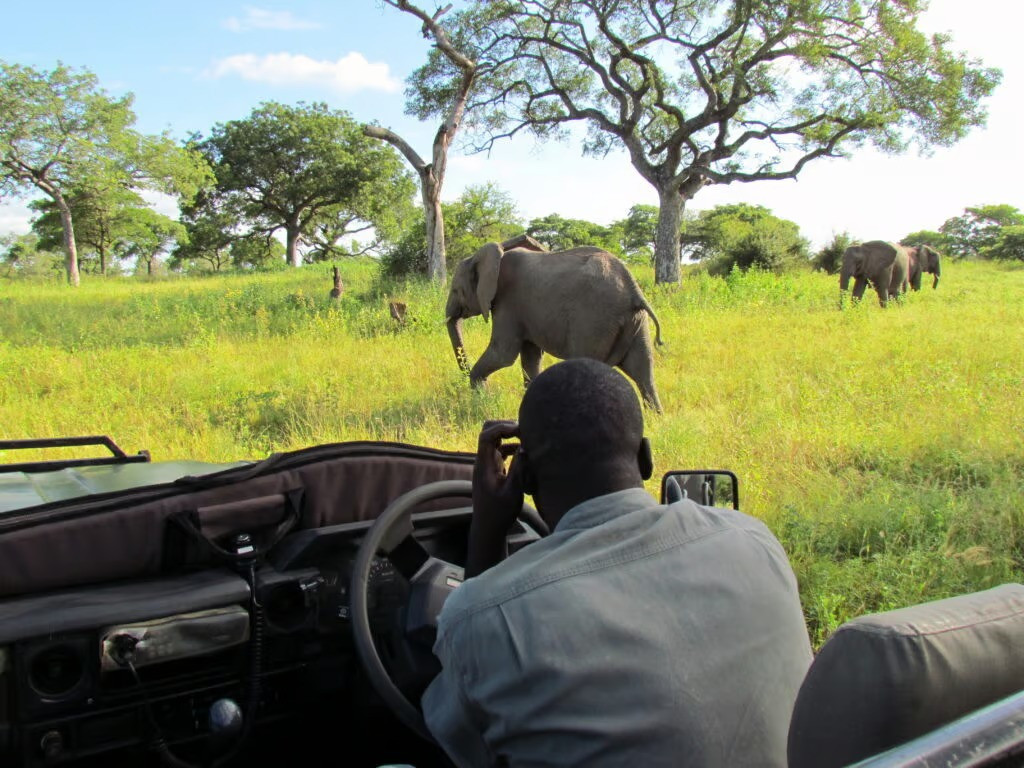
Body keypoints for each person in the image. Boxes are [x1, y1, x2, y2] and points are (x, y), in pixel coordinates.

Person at [421, 359, 812, 767]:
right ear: (645, 459)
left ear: (527, 478)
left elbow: (468, 746)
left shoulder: (481, 619)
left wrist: (487, 529)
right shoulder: (753, 540)